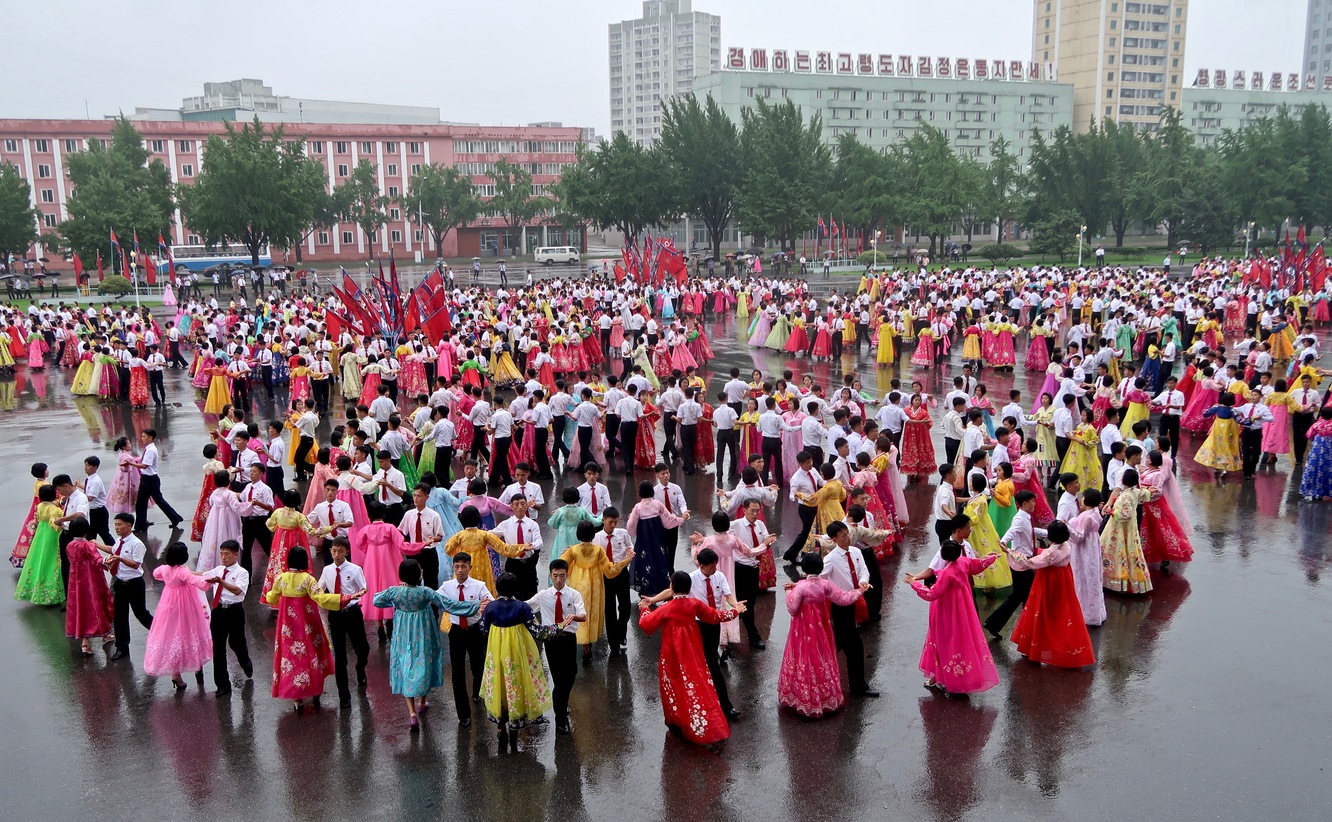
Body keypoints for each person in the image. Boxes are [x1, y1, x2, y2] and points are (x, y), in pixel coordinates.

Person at [372, 557, 481, 731]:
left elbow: (376, 600)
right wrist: (474, 606)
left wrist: (395, 602)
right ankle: (423, 702)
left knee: (405, 664)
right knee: (424, 662)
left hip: (402, 633)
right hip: (422, 632)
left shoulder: (394, 592)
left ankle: (412, 713)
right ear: (418, 575)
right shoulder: (424, 592)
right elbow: (448, 605)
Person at [637, 570, 738, 745]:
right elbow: (715, 616)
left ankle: (676, 720)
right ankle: (704, 720)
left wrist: (645, 608)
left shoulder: (666, 608)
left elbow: (646, 624)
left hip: (671, 654)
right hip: (693, 650)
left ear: (672, 587)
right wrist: (735, 611)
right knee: (696, 681)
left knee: (674, 684)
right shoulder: (694, 604)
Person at [777, 552, 868, 717]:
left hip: (802, 630)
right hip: (821, 628)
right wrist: (860, 591)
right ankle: (825, 697)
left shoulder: (801, 587)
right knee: (822, 656)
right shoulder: (825, 584)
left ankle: (805, 699)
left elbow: (792, 608)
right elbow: (844, 599)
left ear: (804, 568)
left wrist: (788, 592)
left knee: (804, 658)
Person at [905, 539, 1001, 694]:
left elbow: (932, 593)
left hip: (947, 611)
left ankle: (946, 679)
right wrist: (991, 558)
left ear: (944, 556)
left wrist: (914, 583)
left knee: (945, 641)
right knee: (961, 640)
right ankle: (953, 677)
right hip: (963, 609)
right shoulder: (962, 562)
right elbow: (978, 565)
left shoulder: (948, 573)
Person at [265, 546, 346, 713]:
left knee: (290, 657)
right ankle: (315, 689)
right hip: (308, 623)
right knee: (312, 652)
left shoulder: (281, 579)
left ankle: (296, 698)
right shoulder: (308, 579)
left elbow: (271, 597)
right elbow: (321, 598)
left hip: (288, 626)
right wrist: (343, 598)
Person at [480, 572, 553, 753]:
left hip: (497, 653)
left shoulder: (491, 607)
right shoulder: (522, 607)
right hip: (516, 655)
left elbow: (483, 628)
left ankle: (500, 728)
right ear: (516, 589)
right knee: (515, 687)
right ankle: (514, 730)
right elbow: (538, 631)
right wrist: (558, 627)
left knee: (499, 686)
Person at [1006, 521, 1096, 668]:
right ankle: (1064, 648)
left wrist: (1010, 552)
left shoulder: (1051, 552)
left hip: (1048, 581)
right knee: (1063, 613)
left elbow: (1030, 563)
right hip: (1063, 580)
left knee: (1042, 612)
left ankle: (1034, 648)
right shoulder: (1066, 546)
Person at [818, 521, 879, 697]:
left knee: (838, 643)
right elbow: (818, 578)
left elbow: (863, 571)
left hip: (855, 600)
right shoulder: (830, 560)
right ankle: (858, 686)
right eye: (843, 535)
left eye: (848, 533)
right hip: (840, 606)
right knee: (854, 646)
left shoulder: (856, 552)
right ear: (834, 539)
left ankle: (819, 675)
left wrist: (862, 582)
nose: (847, 537)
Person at [526, 558, 586, 734]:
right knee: (559, 679)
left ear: (567, 575)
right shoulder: (543, 595)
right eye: (555, 576)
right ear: (550, 576)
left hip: (568, 638)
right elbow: (526, 606)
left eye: (562, 576)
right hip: (551, 640)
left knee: (571, 674)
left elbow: (583, 614)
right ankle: (561, 718)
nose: (559, 580)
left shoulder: (573, 594)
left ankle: (562, 703)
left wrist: (573, 617)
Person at [143, 542, 213, 692]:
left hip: (168, 602)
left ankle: (176, 673)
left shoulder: (165, 569)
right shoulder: (182, 571)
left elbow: (156, 573)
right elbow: (198, 582)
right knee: (189, 629)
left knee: (172, 632)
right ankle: (196, 664)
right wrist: (209, 580)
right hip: (186, 603)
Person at [560, 520, 634, 661]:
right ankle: (589, 641)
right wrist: (626, 561)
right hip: (595, 586)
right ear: (593, 534)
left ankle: (585, 644)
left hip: (577, 585)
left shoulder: (574, 550)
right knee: (591, 611)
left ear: (578, 534)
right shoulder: (598, 550)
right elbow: (610, 570)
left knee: (579, 610)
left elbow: (561, 564)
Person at [982, 490, 1047, 640]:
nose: (1034, 504)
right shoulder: (1019, 519)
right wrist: (1003, 542)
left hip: (1023, 562)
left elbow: (1030, 531)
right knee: (1024, 596)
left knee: (1021, 596)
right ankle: (1027, 631)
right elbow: (1011, 532)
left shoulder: (1025, 517)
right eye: (1032, 502)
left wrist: (1049, 532)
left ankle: (1000, 625)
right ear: (1024, 504)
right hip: (1021, 564)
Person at [441, 552, 492, 727]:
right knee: (457, 673)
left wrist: (485, 607)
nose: (460, 570)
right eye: (457, 566)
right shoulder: (447, 586)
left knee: (478, 666)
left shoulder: (479, 586)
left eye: (464, 566)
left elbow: (490, 602)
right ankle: (463, 713)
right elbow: (432, 597)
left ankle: (477, 691)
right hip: (456, 632)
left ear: (470, 567)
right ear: (453, 567)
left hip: (474, 631)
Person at [318, 537, 370, 709]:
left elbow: (364, 588)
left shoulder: (355, 570)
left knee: (362, 648)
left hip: (353, 612)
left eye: (340, 551)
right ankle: (344, 696)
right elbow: (320, 588)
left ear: (347, 552)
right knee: (340, 657)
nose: (336, 554)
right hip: (335, 614)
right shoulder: (327, 570)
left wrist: (356, 596)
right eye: (334, 550)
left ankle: (360, 667)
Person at [94, 513, 153, 660]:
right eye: (115, 525)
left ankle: (160, 632)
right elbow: (113, 550)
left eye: (119, 525)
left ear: (129, 525)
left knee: (141, 613)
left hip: (134, 583)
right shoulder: (120, 541)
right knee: (119, 616)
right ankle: (122, 647)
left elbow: (135, 564)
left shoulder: (136, 544)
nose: (117, 528)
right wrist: (97, 545)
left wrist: (120, 558)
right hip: (121, 583)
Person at [202, 540, 253, 696]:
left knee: (236, 643)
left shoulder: (242, 573)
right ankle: (223, 685)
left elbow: (238, 591)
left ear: (235, 555)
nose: (223, 557)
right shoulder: (218, 570)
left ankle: (245, 661)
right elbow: (203, 575)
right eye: (221, 554)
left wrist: (221, 582)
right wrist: (184, 572)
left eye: (227, 554)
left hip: (234, 612)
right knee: (218, 648)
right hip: (218, 612)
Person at [1099, 469, 1158, 594]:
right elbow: (1143, 494)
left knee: (1117, 551)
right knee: (1130, 551)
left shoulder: (1126, 496)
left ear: (1123, 480)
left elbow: (1125, 514)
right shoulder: (1134, 492)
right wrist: (1149, 491)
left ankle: (1116, 580)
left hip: (1119, 529)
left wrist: (1111, 511)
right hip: (1130, 529)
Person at [63, 520, 113, 655]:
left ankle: (85, 641)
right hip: (92, 578)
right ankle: (105, 634)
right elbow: (97, 559)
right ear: (86, 531)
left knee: (81, 607)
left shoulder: (70, 545)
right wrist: (107, 562)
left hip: (76, 581)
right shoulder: (88, 545)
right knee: (97, 603)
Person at [14, 484, 63, 606]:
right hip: (51, 536)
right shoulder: (55, 510)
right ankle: (52, 592)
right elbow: (54, 524)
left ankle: (34, 587)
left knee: (38, 558)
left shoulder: (40, 506)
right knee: (52, 560)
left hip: (41, 534)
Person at [1066, 489, 1106, 627]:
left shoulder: (1086, 516)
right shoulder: (1095, 513)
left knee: (1083, 579)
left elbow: (1078, 536)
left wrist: (1067, 526)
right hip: (1093, 547)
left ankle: (1086, 614)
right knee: (1093, 578)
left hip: (1084, 551)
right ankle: (1097, 613)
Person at [131, 429, 183, 532]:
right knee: (141, 502)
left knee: (159, 501)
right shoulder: (148, 449)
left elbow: (145, 465)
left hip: (151, 479)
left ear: (150, 438)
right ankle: (140, 526)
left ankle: (175, 518)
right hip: (145, 478)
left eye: (144, 437)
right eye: (142, 436)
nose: (142, 439)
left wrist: (131, 464)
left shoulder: (151, 450)